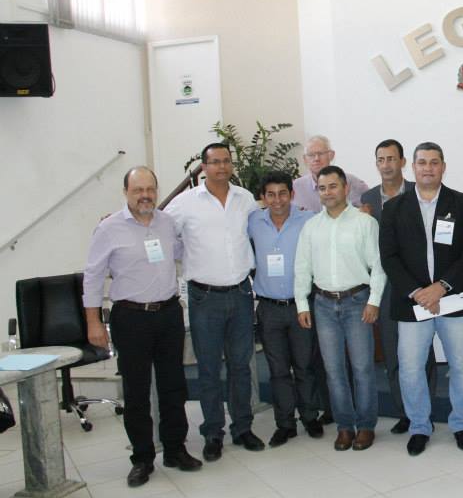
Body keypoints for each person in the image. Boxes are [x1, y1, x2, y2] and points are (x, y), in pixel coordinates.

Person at [82, 167, 202, 487]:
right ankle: (142, 458)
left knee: (173, 386)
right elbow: (92, 278)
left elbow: (182, 252)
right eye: (138, 190)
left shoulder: (167, 223)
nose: (145, 195)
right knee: (136, 392)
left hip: (167, 314)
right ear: (126, 193)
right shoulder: (108, 228)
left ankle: (175, 449)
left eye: (149, 189)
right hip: (130, 318)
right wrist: (93, 321)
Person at [379, 142, 463, 456]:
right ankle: (419, 427)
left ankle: (462, 425)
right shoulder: (394, 208)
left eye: (434, 162)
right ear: (411, 168)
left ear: (443, 166)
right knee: (411, 369)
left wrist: (441, 286)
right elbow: (389, 257)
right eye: (422, 162)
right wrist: (419, 292)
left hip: (453, 299)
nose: (428, 168)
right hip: (413, 303)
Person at [165, 142, 264, 461]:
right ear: (203, 167)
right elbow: (162, 232)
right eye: (215, 162)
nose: (222, 167)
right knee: (208, 369)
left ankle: (243, 428)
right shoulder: (184, 203)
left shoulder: (244, 199)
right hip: (204, 297)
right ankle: (212, 432)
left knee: (240, 365)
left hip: (240, 293)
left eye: (226, 161)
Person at [294, 165, 386, 452]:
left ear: (346, 189)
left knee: (361, 369)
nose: (328, 192)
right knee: (334, 371)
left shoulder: (364, 223)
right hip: (322, 305)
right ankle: (345, 427)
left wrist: (373, 302)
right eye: (322, 188)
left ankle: (366, 426)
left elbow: (378, 267)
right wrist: (301, 303)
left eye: (333, 186)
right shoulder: (311, 227)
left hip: (357, 302)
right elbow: (302, 267)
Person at [360, 139, 438, 435]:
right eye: (381, 159)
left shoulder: (417, 191)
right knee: (393, 352)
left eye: (392, 158)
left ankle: (425, 408)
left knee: (423, 352)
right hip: (385, 285)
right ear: (377, 163)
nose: (387, 164)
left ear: (403, 162)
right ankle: (405, 411)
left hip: (417, 283)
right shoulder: (367, 198)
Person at [247, 171, 325, 447]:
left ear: (292, 195)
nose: (277, 200)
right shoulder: (253, 221)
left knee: (304, 366)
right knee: (278, 370)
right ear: (263, 198)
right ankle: (285, 424)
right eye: (271, 194)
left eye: (283, 193)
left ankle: (309, 416)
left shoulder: (308, 220)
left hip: (301, 306)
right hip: (268, 309)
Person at [292, 135, 370, 210]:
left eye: (320, 153)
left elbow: (369, 210)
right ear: (305, 159)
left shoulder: (353, 183)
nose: (316, 159)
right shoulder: (296, 187)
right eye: (311, 155)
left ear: (331, 155)